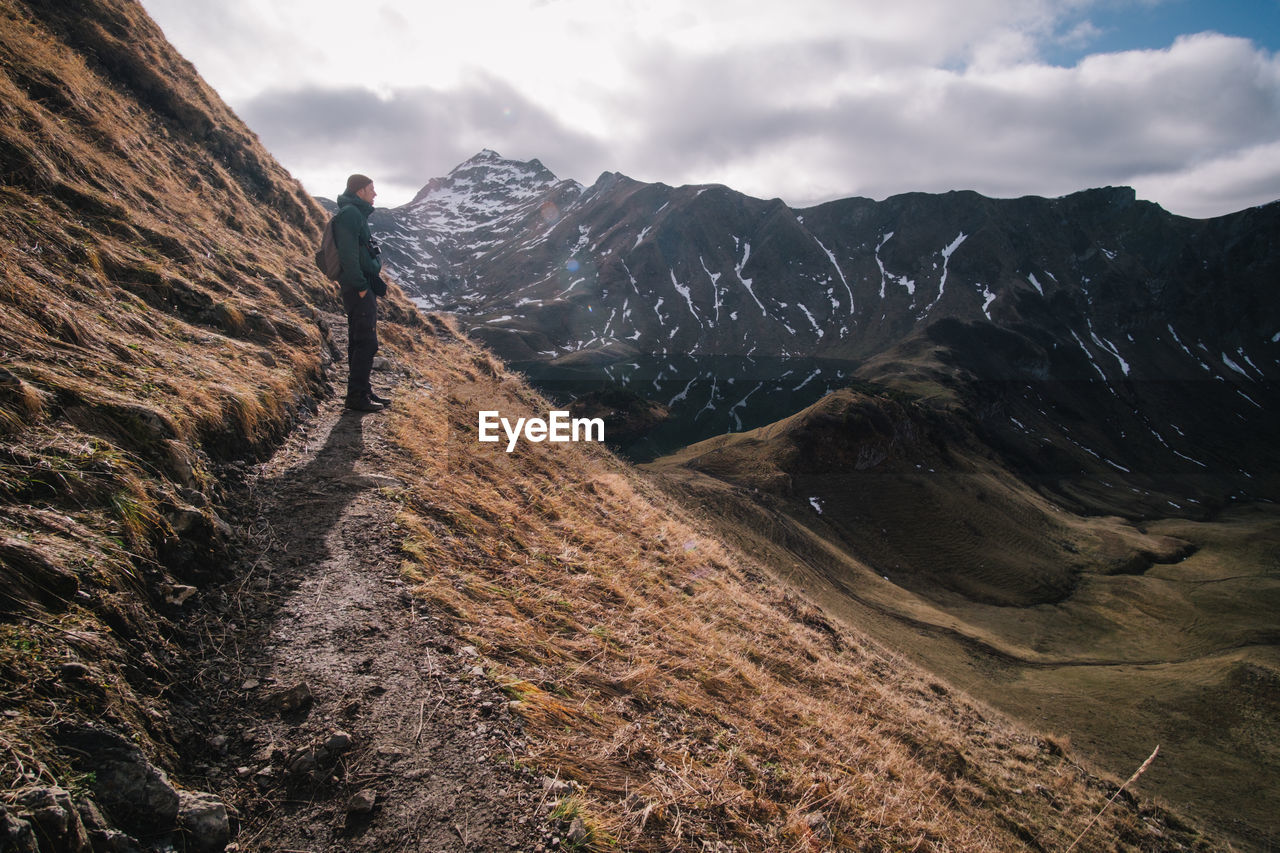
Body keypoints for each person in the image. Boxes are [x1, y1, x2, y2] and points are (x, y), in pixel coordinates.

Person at [334, 173, 390, 412]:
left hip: (362, 285)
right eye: (371, 189)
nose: (375, 193)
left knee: (360, 340)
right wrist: (359, 286)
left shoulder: (356, 214)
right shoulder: (350, 214)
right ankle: (356, 396)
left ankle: (362, 390)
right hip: (358, 287)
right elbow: (347, 254)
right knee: (366, 342)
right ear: (360, 191)